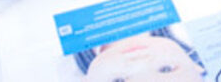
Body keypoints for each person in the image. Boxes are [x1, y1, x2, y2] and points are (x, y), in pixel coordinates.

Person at [73, 27, 206, 81]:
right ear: (195, 65)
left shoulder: (61, 52)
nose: (138, 59)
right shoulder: (184, 27)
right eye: (165, 69)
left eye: (120, 81)